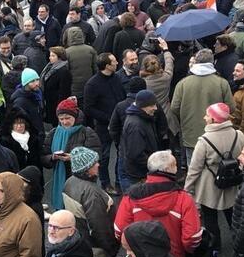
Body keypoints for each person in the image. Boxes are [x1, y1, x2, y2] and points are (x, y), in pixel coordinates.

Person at [114, 151, 202, 257]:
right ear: (168, 169)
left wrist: (134, 250)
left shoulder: (130, 197)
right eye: (175, 165)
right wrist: (186, 251)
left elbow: (119, 230)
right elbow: (192, 237)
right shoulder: (184, 199)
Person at [62, 147, 120, 257]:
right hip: (95, 247)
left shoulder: (71, 182)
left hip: (80, 240)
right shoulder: (92, 193)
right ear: (87, 169)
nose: (99, 164)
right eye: (95, 163)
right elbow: (99, 225)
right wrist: (110, 247)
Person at [185, 103, 244, 255]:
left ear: (213, 119)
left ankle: (215, 247)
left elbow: (195, 169)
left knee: (210, 218)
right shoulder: (239, 135)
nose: (204, 118)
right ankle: (240, 243)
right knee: (233, 215)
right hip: (231, 181)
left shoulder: (204, 141)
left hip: (209, 185)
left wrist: (188, 189)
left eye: (207, 115)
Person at [168, 50, 234, 163]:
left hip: (191, 134)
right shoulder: (222, 83)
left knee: (193, 168)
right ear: (212, 62)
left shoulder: (183, 83)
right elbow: (231, 108)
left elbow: (174, 108)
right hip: (216, 134)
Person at [43, 97, 102, 210]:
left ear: (75, 116)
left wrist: (73, 158)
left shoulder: (87, 132)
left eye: (68, 118)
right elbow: (44, 157)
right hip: (60, 180)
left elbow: (96, 156)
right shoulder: (53, 133)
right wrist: (52, 157)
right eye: (61, 118)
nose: (65, 122)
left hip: (81, 182)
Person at [84, 52, 126, 192]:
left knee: (122, 153)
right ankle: (105, 183)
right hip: (104, 126)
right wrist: (108, 118)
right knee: (104, 156)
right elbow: (89, 108)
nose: (117, 63)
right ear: (107, 66)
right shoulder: (93, 84)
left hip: (119, 123)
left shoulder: (117, 78)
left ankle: (119, 180)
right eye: (114, 61)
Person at [120, 90, 161, 187]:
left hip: (140, 172)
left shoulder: (143, 117)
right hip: (139, 174)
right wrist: (154, 164)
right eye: (152, 105)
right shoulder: (136, 125)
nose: (155, 108)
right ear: (143, 106)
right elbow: (136, 154)